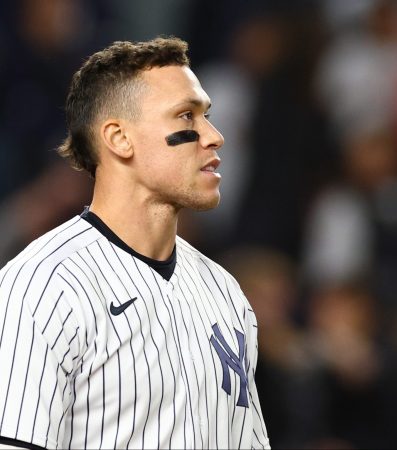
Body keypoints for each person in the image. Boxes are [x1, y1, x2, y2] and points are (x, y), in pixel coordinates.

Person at [0, 37, 270, 450]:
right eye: (187, 116)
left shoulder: (226, 294)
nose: (214, 136)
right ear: (119, 138)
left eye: (208, 116)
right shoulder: (43, 286)